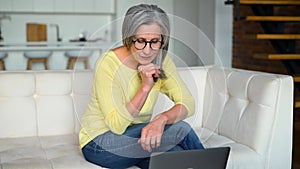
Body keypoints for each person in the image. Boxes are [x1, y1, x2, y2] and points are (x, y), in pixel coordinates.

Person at [79, 4, 204, 169]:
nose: (147, 50)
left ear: (163, 40)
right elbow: (116, 125)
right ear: (129, 37)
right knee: (181, 130)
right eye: (140, 41)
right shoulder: (108, 64)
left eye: (154, 42)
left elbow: (188, 102)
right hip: (100, 144)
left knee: (175, 153)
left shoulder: (161, 60)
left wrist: (161, 120)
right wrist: (145, 87)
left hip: (137, 138)